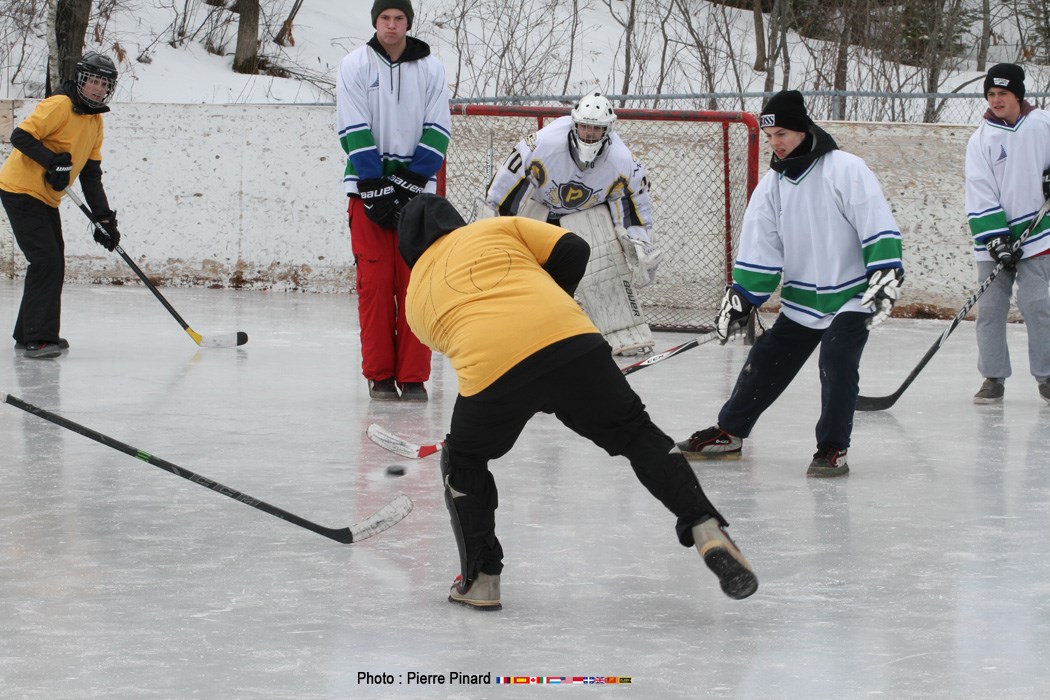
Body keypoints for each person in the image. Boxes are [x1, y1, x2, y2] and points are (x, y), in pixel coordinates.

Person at [396, 193, 758, 611]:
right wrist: (554, 302)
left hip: (493, 373)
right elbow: (573, 247)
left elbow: (462, 342)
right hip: (572, 342)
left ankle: (481, 580)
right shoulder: (493, 228)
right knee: (635, 433)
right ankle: (703, 524)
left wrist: (527, 387)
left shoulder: (415, 297)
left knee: (464, 460)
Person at [675, 90, 904, 478]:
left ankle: (833, 448)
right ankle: (729, 433)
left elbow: (875, 221)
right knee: (766, 359)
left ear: (801, 130)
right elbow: (761, 245)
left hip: (854, 293)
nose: (775, 143)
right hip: (804, 298)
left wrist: (885, 271)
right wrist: (742, 296)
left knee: (836, 358)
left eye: (781, 133)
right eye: (769, 137)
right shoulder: (773, 184)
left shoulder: (846, 169)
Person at [484, 93, 661, 356]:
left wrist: (640, 245)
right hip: (539, 208)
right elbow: (504, 189)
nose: (589, 134)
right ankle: (510, 328)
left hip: (588, 217)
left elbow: (634, 210)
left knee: (605, 266)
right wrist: (488, 231)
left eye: (597, 128)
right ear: (573, 123)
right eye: (585, 126)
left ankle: (622, 331)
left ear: (608, 129)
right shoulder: (542, 143)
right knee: (520, 268)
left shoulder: (624, 162)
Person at [336, 0, 451, 401]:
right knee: (376, 284)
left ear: (408, 23)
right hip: (365, 192)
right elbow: (352, 125)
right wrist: (374, 186)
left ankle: (414, 377)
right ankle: (380, 376)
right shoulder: (354, 64)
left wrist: (410, 181)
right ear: (375, 22)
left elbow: (439, 127)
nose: (391, 25)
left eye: (399, 18)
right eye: (385, 18)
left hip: (419, 195)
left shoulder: (432, 68)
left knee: (417, 286)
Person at [0, 51, 121, 360]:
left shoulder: (95, 122)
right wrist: (53, 162)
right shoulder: (59, 105)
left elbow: (91, 176)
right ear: (81, 80)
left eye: (104, 85)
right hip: (20, 189)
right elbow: (21, 136)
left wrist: (104, 220)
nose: (98, 89)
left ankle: (27, 331)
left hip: (44, 197)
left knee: (53, 261)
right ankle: (39, 339)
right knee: (46, 261)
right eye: (93, 81)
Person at [964, 63, 1050, 405]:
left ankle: (1046, 376)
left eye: (1003, 93)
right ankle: (993, 377)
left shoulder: (1042, 124)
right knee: (991, 308)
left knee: (1037, 303)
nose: (996, 100)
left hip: (1038, 231)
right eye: (991, 94)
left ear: (1018, 95)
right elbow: (979, 189)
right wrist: (995, 238)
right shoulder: (981, 138)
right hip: (993, 238)